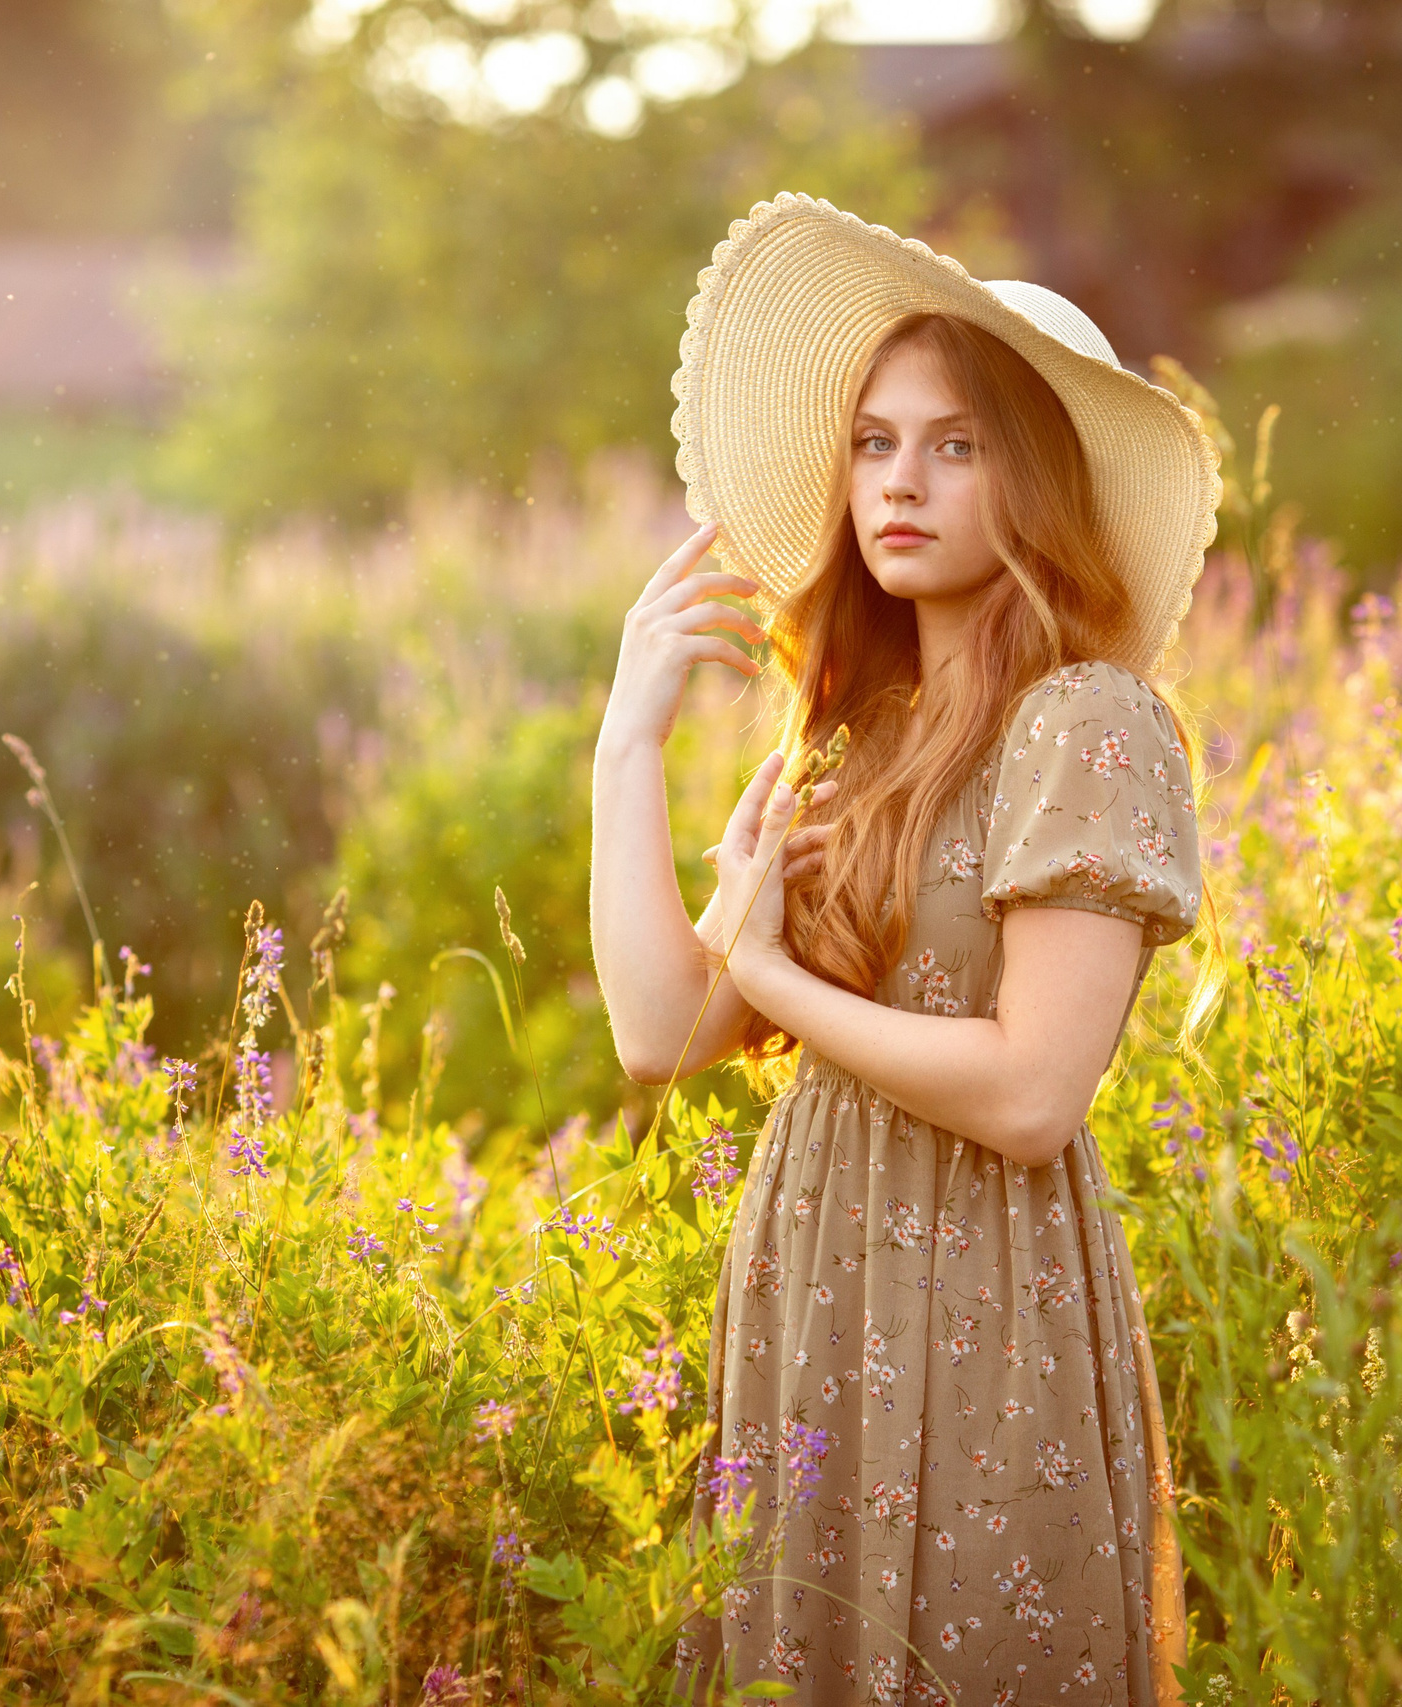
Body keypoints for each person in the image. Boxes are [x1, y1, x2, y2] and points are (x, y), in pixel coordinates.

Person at [589, 193, 1221, 1705]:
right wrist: (628, 742)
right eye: (874, 441)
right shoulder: (856, 743)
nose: (900, 481)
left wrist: (784, 978)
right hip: (815, 1295)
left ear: (1039, 479)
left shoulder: (1087, 721)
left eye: (955, 444)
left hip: (985, 1311)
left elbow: (1029, 1095)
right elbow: (661, 1035)